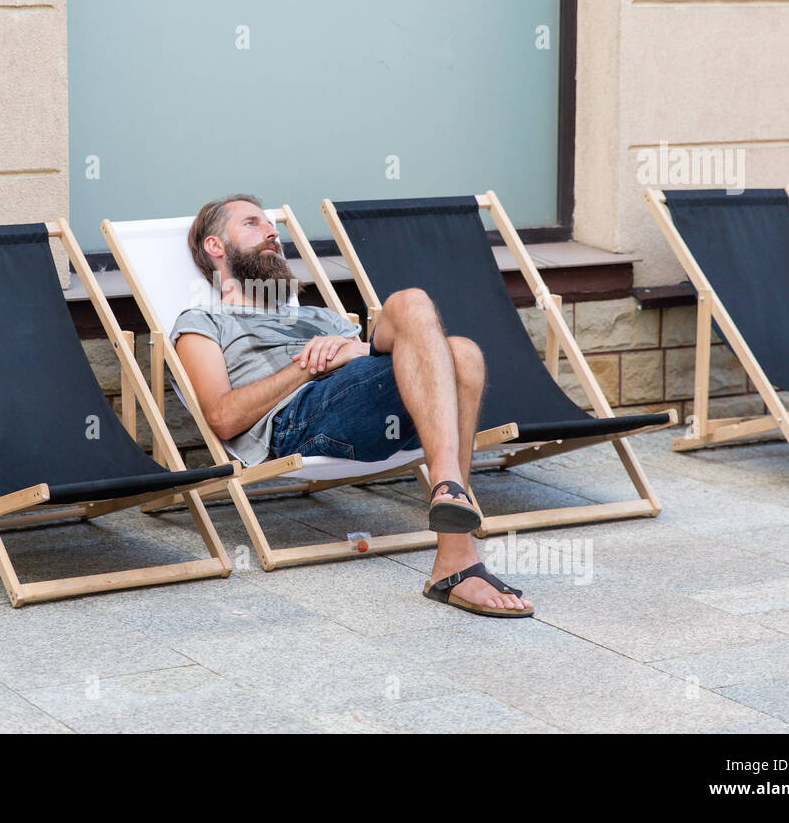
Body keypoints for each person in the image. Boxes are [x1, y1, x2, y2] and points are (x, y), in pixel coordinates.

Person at [171, 194, 533, 617]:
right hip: (301, 421)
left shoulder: (320, 317)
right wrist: (310, 364)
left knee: (464, 352)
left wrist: (348, 349)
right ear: (216, 247)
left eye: (272, 226)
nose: (272, 233)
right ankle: (452, 510)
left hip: (376, 408)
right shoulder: (202, 322)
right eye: (252, 224)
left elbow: (384, 361)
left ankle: (454, 550)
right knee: (415, 306)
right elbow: (222, 417)